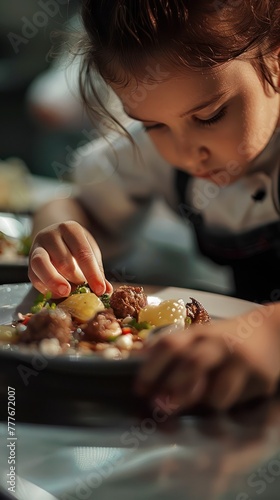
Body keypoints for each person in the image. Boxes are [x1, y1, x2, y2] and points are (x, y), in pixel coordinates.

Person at [29, 0, 280, 412]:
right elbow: (74, 204)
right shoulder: (154, 151)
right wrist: (60, 236)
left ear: (275, 55)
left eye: (211, 115)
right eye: (153, 125)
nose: (185, 153)